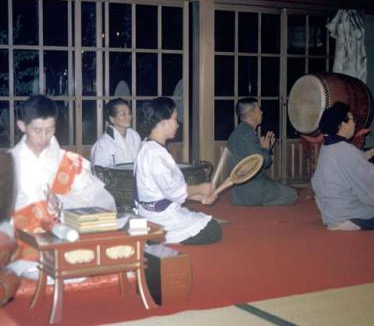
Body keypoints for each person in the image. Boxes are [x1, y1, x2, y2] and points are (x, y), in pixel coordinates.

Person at [8, 95, 116, 277]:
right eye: (37, 130)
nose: (44, 137)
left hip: (67, 239)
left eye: (50, 130)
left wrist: (63, 202)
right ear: (21, 126)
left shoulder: (68, 162)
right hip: (23, 247)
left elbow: (105, 202)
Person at [135, 97, 221, 245]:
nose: (177, 124)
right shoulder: (156, 154)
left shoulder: (146, 147)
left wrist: (200, 197)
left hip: (149, 213)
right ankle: (159, 236)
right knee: (212, 228)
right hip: (160, 217)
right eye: (175, 119)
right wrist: (201, 188)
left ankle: (154, 234)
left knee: (202, 219)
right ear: (164, 122)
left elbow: (164, 192)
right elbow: (174, 191)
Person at [311, 102, 374, 231]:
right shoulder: (345, 149)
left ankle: (345, 220)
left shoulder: (328, 146)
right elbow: (369, 175)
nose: (354, 124)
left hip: (329, 210)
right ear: (341, 124)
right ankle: (352, 222)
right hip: (344, 209)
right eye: (352, 120)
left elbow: (355, 162)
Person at [226, 97, 297, 206]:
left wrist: (260, 148)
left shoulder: (239, 132)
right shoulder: (247, 135)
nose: (262, 112)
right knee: (292, 194)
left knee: (277, 186)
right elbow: (262, 163)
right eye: (258, 109)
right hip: (252, 188)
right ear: (251, 114)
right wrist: (265, 149)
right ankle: (257, 203)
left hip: (238, 190)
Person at [91, 98, 141, 168]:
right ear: (112, 119)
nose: (129, 117)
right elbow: (100, 172)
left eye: (129, 113)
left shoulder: (135, 136)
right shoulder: (102, 144)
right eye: (123, 114)